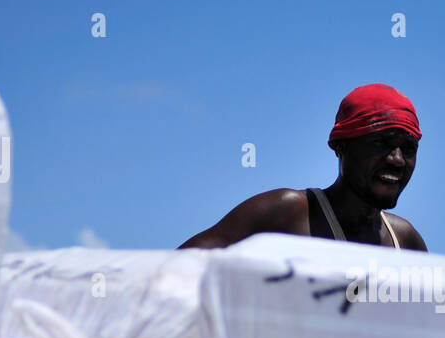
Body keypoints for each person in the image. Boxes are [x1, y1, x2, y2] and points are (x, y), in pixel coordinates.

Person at [178, 84, 427, 251]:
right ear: (340, 146)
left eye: (408, 148)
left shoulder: (404, 243)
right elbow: (174, 271)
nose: (396, 159)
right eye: (380, 143)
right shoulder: (285, 215)